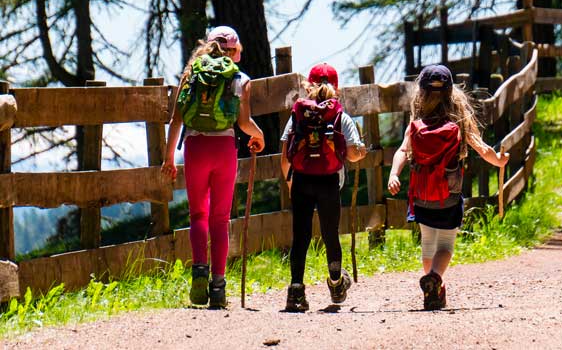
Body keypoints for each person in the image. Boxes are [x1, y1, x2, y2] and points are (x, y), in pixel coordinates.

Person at [387, 64, 509, 310]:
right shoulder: (458, 120)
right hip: (449, 196)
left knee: (428, 242)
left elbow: (402, 150)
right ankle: (435, 278)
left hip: (421, 196)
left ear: (420, 92)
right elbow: (481, 147)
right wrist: (498, 160)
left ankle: (433, 290)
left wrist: (393, 174)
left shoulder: (417, 121)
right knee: (445, 246)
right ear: (451, 91)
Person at [161, 26, 264, 309]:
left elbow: (176, 121)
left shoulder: (191, 74)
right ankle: (218, 286)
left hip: (195, 148)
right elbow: (244, 123)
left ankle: (198, 272)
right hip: (224, 149)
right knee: (220, 219)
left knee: (198, 215)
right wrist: (259, 136)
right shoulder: (240, 79)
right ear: (235, 51)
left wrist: (169, 158)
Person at [280, 63, 367, 312]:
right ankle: (337, 284)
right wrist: (361, 152)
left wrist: (289, 182)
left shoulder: (297, 115)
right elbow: (351, 154)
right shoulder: (341, 116)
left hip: (302, 180)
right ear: (336, 88)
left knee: (301, 237)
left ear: (308, 86)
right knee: (330, 234)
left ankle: (296, 291)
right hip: (329, 181)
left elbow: (286, 155)